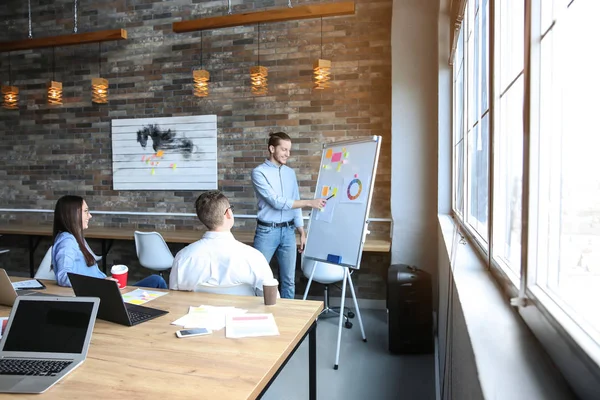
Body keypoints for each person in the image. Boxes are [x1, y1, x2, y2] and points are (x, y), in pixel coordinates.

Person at [251, 132, 327, 299]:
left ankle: (288, 321)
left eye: (289, 150)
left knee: (289, 281)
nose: (287, 154)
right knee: (257, 277)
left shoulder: (290, 173)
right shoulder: (259, 173)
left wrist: (302, 232)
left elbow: (294, 202)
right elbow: (276, 202)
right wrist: (310, 202)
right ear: (272, 148)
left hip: (288, 232)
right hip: (267, 232)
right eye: (284, 149)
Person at [169, 190, 276, 296]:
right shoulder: (254, 257)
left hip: (197, 312)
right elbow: (271, 299)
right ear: (228, 213)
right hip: (243, 313)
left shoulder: (183, 257)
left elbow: (175, 298)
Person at [51, 195, 167, 289]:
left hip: (105, 290)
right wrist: (100, 283)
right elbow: (63, 277)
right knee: (156, 281)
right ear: (73, 214)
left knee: (156, 280)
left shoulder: (75, 238)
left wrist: (106, 281)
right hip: (100, 294)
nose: (90, 216)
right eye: (86, 211)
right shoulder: (67, 241)